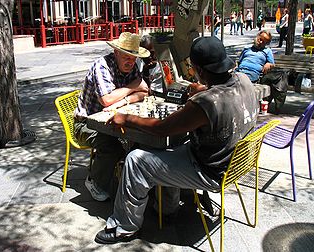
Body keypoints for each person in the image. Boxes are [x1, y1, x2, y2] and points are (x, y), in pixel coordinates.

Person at [94, 36, 259, 244]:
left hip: (210, 170)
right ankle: (168, 209)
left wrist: (126, 118)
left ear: (199, 69)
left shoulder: (206, 103)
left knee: (136, 160)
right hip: (236, 162)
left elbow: (162, 129)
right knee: (172, 146)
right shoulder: (244, 79)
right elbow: (223, 91)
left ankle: (123, 227)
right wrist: (205, 89)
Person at [74, 32, 150, 201]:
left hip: (112, 119)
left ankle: (131, 179)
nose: (130, 62)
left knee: (142, 138)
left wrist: (120, 102)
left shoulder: (132, 66)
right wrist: (132, 88)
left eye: (133, 57)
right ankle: (94, 181)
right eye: (126, 57)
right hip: (87, 123)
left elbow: (144, 92)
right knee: (111, 146)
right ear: (116, 52)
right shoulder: (102, 66)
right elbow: (106, 100)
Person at [236, 31, 287, 114]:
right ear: (257, 36)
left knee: (240, 84)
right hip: (239, 72)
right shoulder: (247, 49)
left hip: (252, 75)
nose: (261, 42)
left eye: (265, 41)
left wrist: (269, 64)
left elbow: (272, 64)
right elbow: (239, 62)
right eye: (261, 39)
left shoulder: (267, 51)